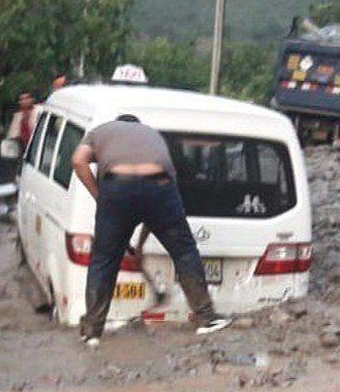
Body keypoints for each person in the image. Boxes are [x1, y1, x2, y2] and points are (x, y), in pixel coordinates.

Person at [70, 114, 230, 346]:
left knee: (103, 260)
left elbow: (78, 161)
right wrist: (142, 243)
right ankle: (206, 318)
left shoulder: (99, 132)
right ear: (137, 125)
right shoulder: (153, 136)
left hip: (117, 188)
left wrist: (100, 197)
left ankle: (92, 332)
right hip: (160, 186)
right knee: (184, 251)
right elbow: (159, 203)